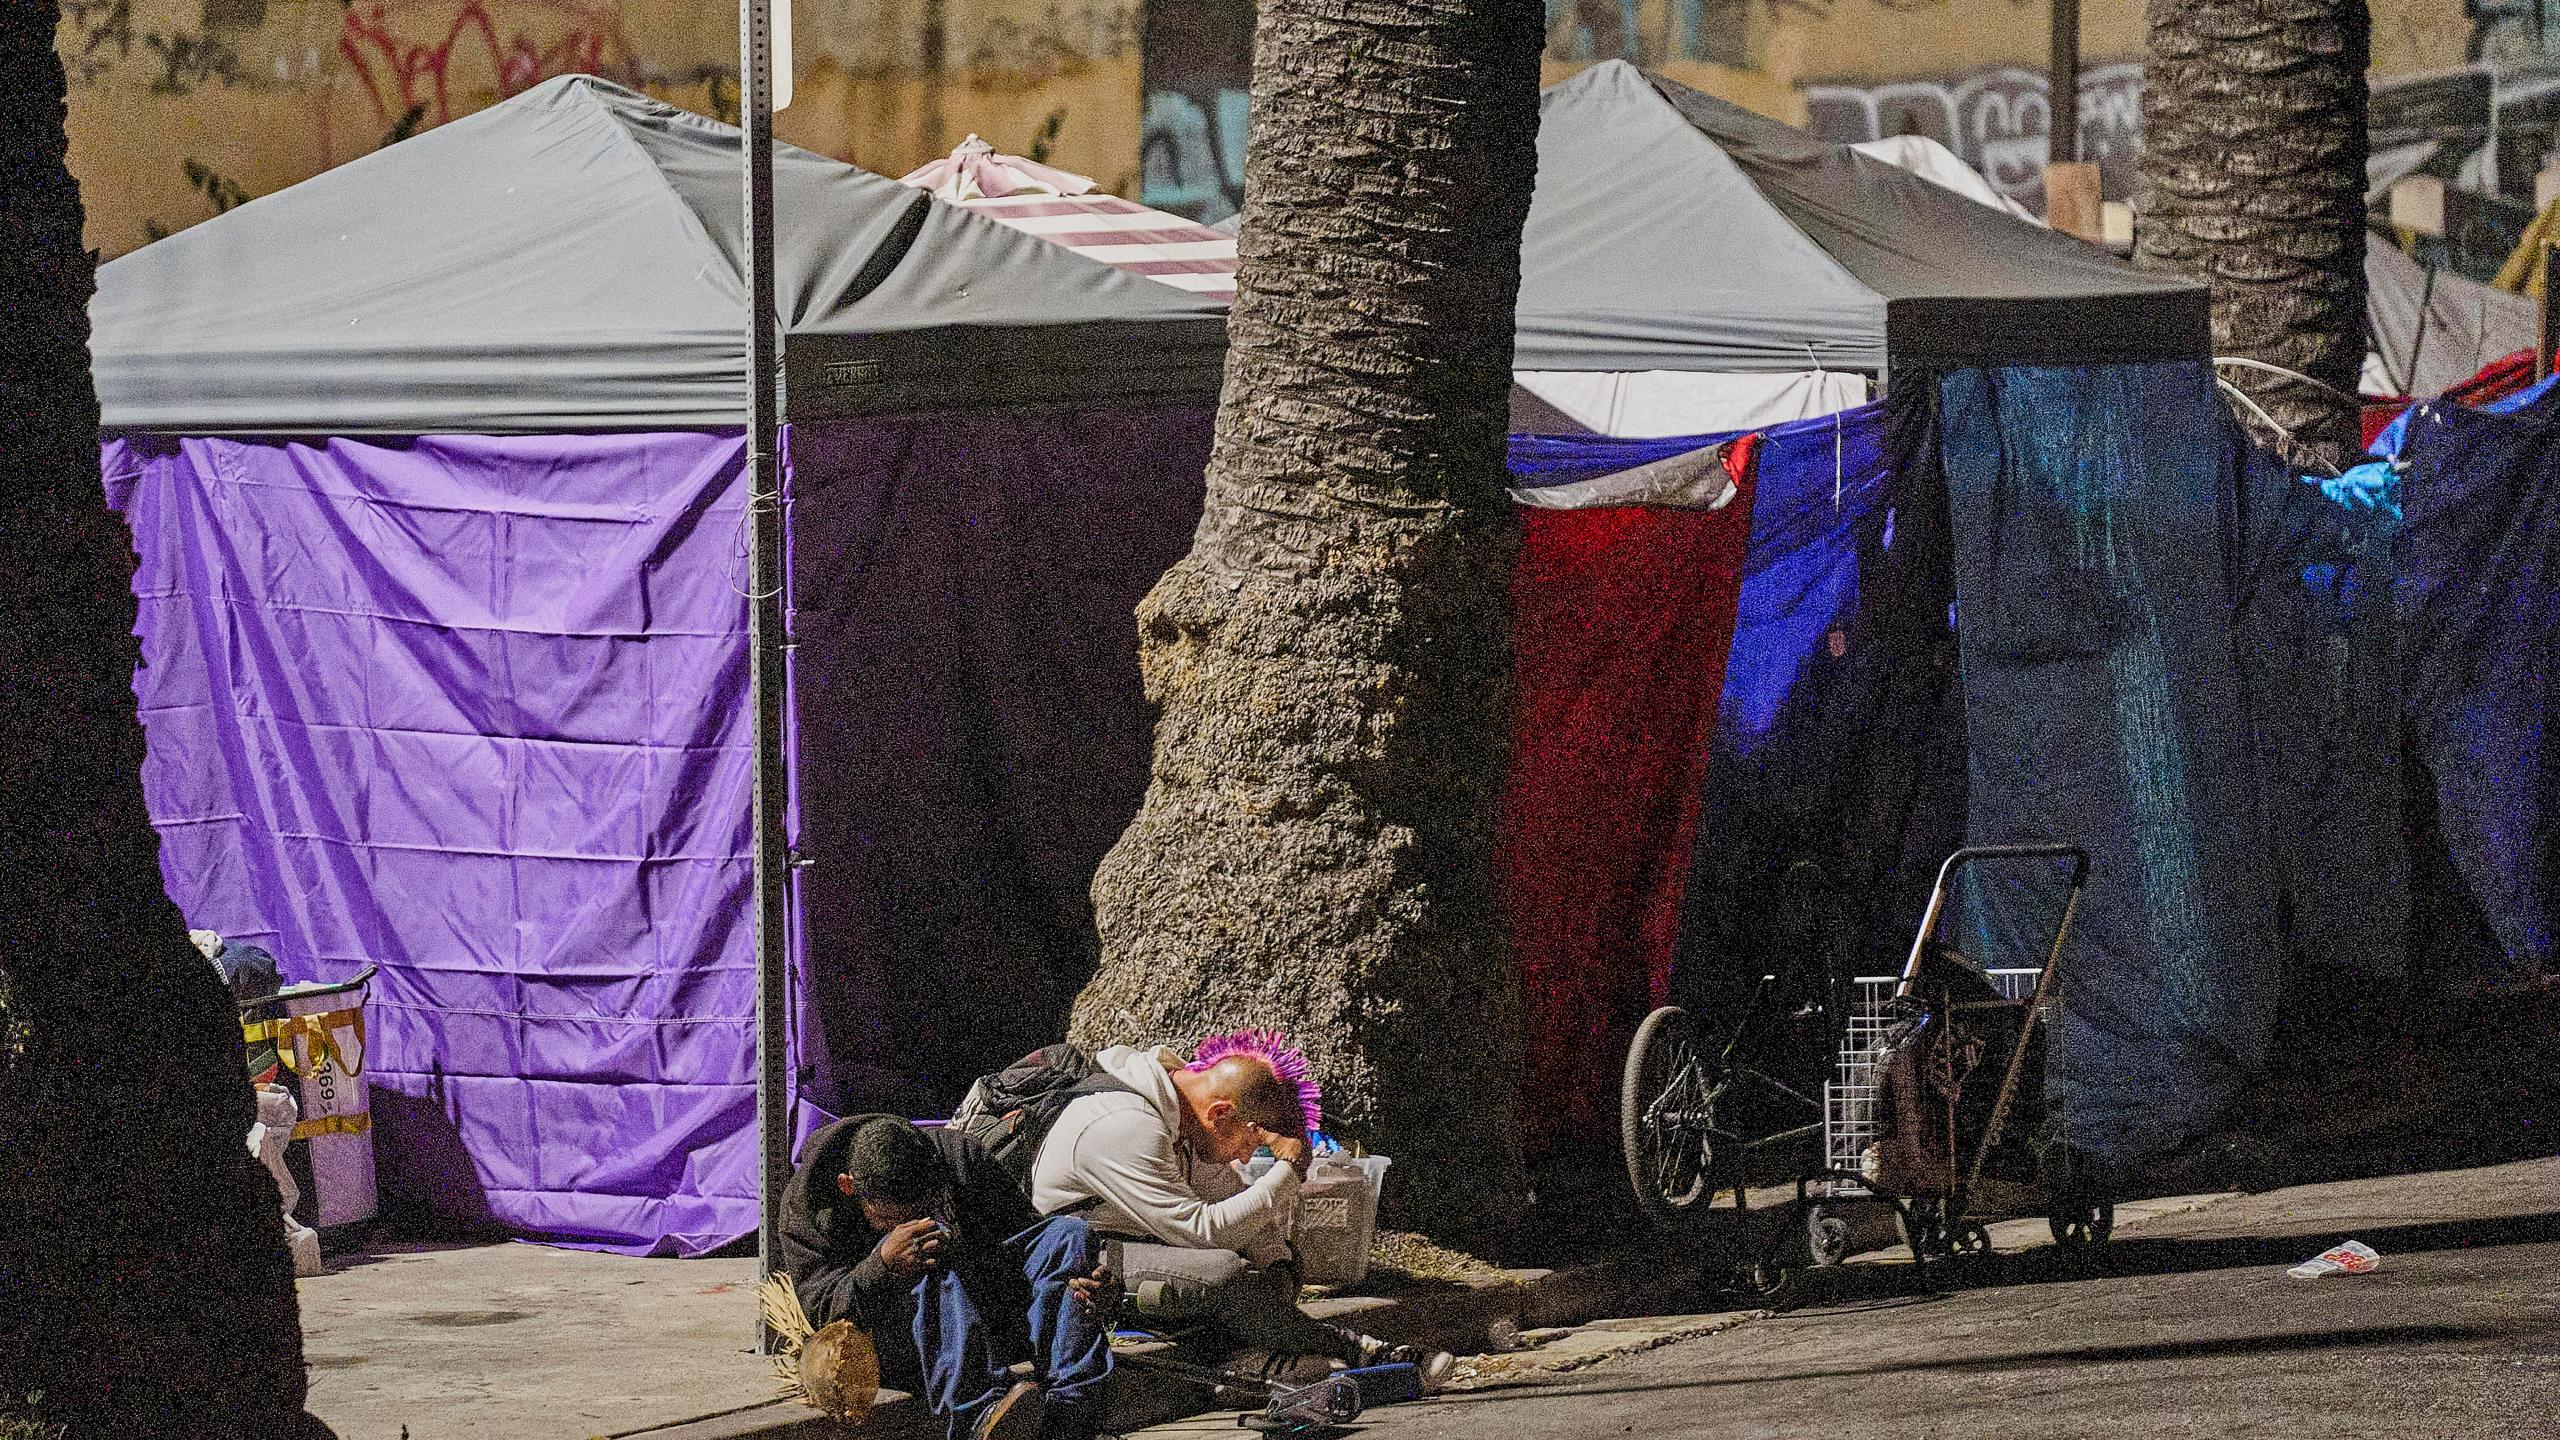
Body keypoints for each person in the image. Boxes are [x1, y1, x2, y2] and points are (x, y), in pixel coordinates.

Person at [1029, 1030, 1454, 1389]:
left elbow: (1229, 1200)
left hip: (1144, 1245)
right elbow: (1201, 1232)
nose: (1248, 1159)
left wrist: (1279, 1262)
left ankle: (1252, 1363)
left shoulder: (1183, 1121)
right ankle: (1357, 1350)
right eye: (1249, 1144)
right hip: (1080, 1258)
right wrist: (1287, 1169)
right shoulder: (1126, 1126)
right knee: (1223, 1274)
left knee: (1266, 1262)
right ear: (1221, 1113)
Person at [780, 1114, 1113, 1440]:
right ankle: (977, 1416)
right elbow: (823, 1313)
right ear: (849, 1186)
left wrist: (1093, 1284)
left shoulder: (956, 1156)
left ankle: (1070, 1405)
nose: (913, 1222)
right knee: (931, 1246)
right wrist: (883, 1265)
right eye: (892, 1218)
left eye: (923, 1207)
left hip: (984, 1313)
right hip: (895, 1337)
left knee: (1068, 1235)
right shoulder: (807, 1203)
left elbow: (1026, 1236)